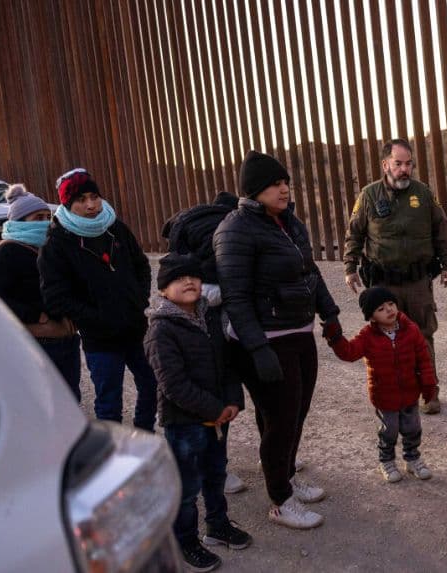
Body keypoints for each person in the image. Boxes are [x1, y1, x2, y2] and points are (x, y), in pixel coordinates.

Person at [214, 150, 340, 530]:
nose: (284, 189)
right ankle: (280, 501)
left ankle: (284, 475)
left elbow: (310, 270)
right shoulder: (234, 229)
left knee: (296, 413)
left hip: (299, 332)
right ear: (254, 191)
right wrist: (257, 347)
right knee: (280, 419)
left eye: (285, 181)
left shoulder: (289, 222)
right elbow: (234, 297)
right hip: (266, 341)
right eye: (275, 183)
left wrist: (330, 313)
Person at [145, 253, 251, 572]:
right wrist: (215, 408)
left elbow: (230, 363)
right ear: (163, 290)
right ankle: (186, 540)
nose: (188, 282)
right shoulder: (161, 330)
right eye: (178, 279)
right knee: (187, 486)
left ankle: (217, 526)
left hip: (218, 418)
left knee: (216, 474)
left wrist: (232, 401)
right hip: (185, 423)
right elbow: (173, 384)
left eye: (192, 276)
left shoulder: (211, 318)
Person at [38, 168, 157, 431]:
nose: (91, 205)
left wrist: (139, 299)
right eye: (81, 200)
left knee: (153, 385)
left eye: (94, 196)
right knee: (109, 403)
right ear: (68, 204)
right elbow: (55, 297)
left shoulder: (114, 227)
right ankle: (114, 458)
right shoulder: (57, 244)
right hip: (100, 340)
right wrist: (96, 318)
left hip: (136, 329)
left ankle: (144, 437)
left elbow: (141, 265)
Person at [343, 138, 447, 415]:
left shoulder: (424, 193)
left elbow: (441, 230)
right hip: (384, 285)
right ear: (386, 165)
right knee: (385, 340)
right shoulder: (369, 196)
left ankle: (430, 394)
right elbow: (354, 234)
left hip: (417, 282)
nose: (405, 169)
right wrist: (350, 267)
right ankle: (393, 395)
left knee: (422, 336)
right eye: (398, 164)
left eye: (408, 164)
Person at [161, 190, 248, 495]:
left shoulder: (187, 225)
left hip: (205, 305)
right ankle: (210, 474)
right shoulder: (163, 328)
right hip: (212, 308)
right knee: (207, 394)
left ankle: (215, 471)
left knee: (215, 382)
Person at [325, 286, 437, 483]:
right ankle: (386, 460)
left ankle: (413, 459)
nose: (389, 310)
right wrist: (335, 337)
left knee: (412, 427)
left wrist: (428, 385)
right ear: (372, 317)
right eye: (381, 309)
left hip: (410, 391)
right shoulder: (367, 336)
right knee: (389, 430)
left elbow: (424, 359)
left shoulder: (410, 329)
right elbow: (349, 352)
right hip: (384, 395)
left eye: (391, 304)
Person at [0, 184, 81, 400]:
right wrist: (35, 317)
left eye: (46, 216)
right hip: (39, 341)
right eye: (37, 218)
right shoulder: (6, 253)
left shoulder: (51, 249)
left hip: (65, 339)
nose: (44, 222)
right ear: (19, 222)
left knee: (70, 400)